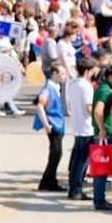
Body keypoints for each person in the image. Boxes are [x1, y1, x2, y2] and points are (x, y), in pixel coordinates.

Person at [66, 58, 99, 200]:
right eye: (92, 71)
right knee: (83, 161)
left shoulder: (73, 84)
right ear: (87, 71)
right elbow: (88, 107)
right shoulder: (86, 86)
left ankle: (73, 188)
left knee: (76, 160)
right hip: (87, 127)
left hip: (77, 125)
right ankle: (77, 189)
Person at [92, 64, 112, 211]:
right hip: (106, 135)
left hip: (103, 133)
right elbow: (98, 111)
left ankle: (99, 199)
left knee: (101, 168)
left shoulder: (103, 88)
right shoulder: (106, 91)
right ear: (110, 76)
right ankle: (99, 200)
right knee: (102, 168)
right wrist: (102, 129)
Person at [35, 64, 67, 192]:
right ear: (54, 74)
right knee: (56, 153)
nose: (64, 76)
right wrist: (46, 124)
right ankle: (48, 181)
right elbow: (39, 105)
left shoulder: (55, 87)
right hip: (53, 124)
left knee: (56, 153)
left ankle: (48, 181)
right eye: (62, 73)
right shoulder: (48, 88)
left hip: (58, 123)